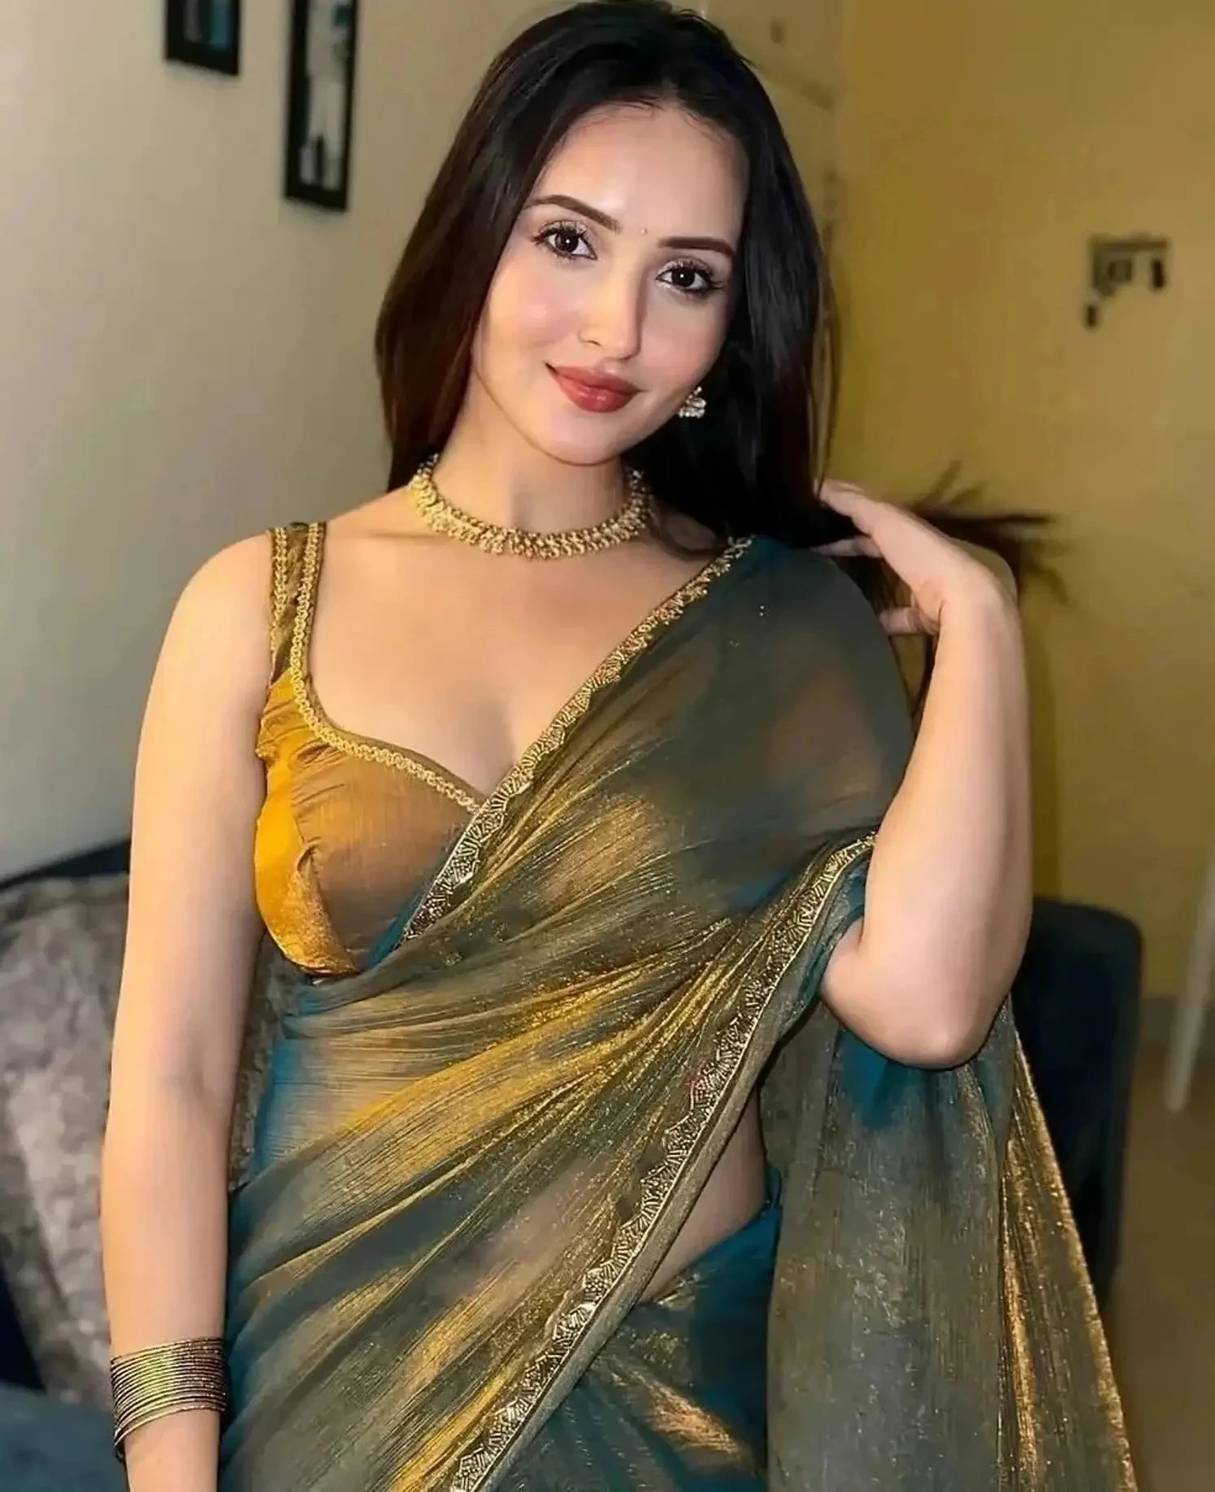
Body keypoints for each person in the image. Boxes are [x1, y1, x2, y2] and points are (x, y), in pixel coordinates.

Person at [100, 2, 1135, 1487]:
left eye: (686, 276)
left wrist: (982, 629)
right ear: (475, 238)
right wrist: (169, 1465)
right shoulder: (259, 606)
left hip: (673, 1412)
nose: (616, 329)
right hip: (328, 1390)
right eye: (569, 241)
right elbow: (172, 1084)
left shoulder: (772, 630)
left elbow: (925, 1006)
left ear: (730, 323)